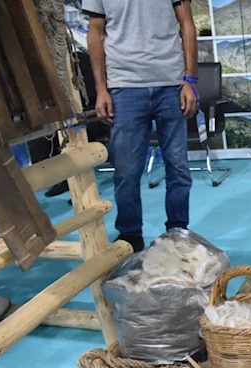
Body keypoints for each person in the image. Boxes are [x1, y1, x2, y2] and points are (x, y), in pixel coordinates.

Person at [82, 0, 198, 252]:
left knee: (178, 167)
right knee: (125, 172)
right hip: (124, 86)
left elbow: (187, 23)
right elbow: (96, 32)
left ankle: (178, 234)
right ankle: (130, 237)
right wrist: (101, 89)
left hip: (171, 84)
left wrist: (190, 80)